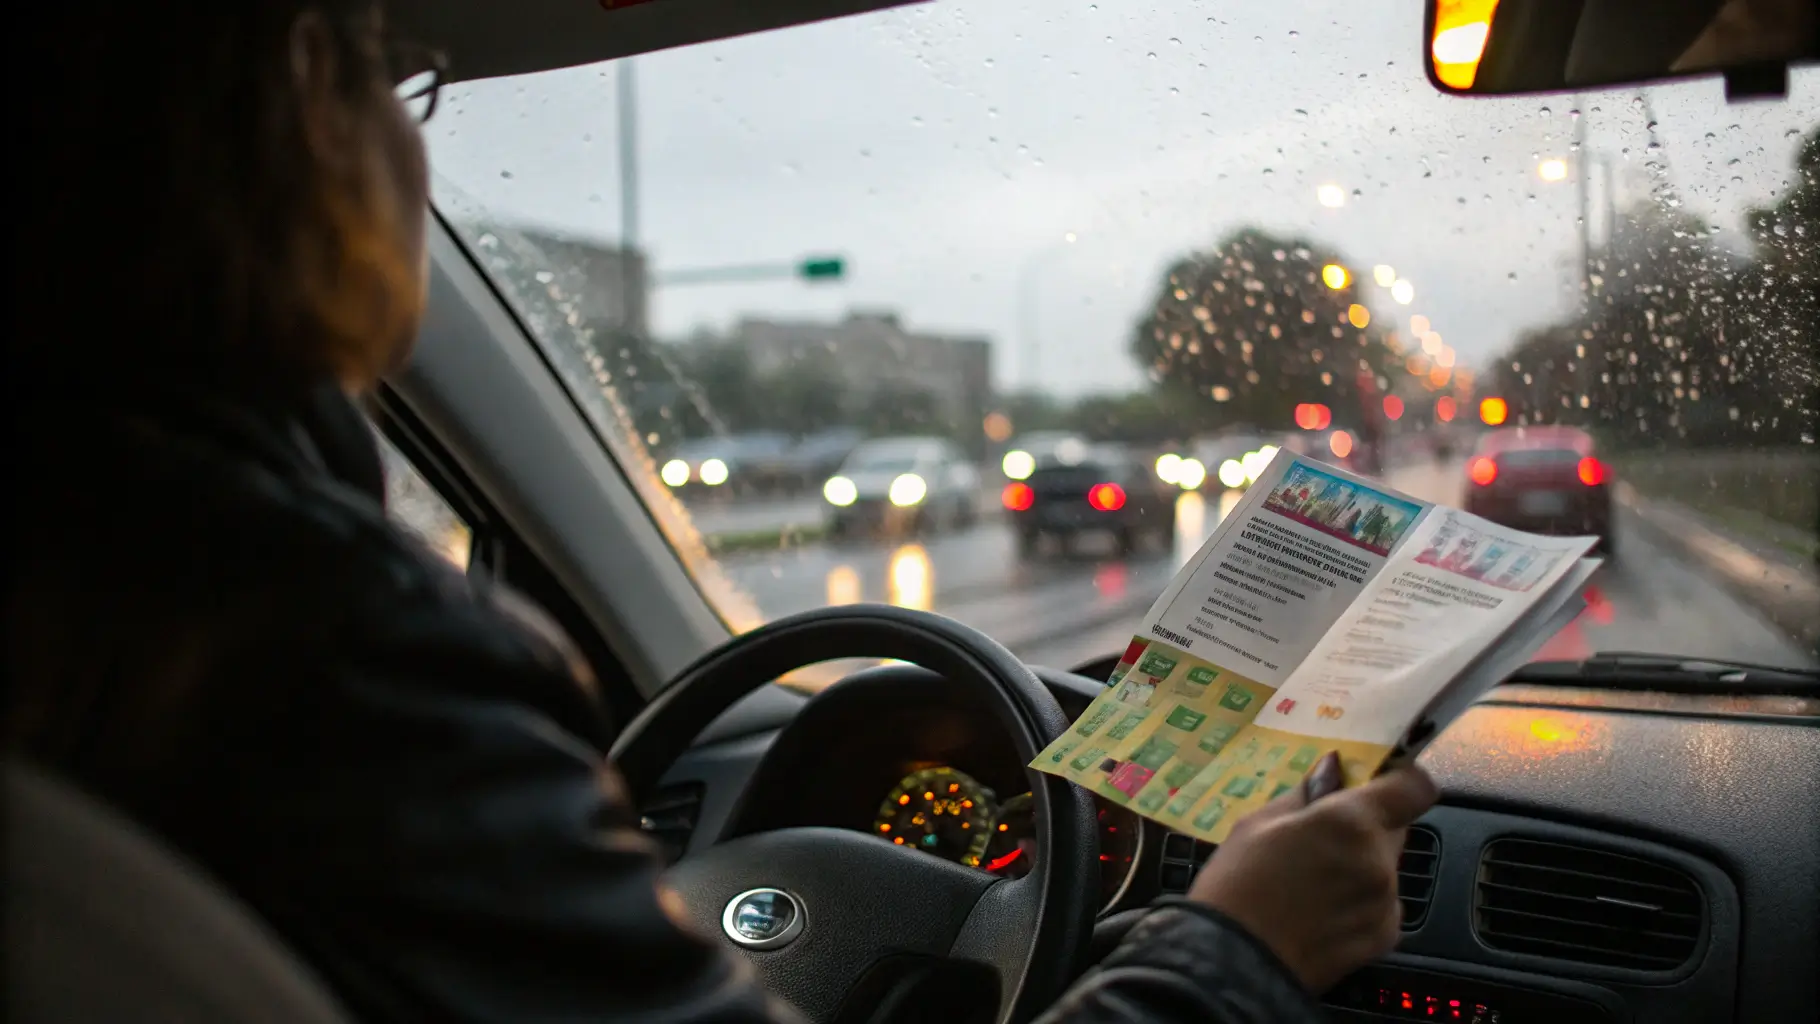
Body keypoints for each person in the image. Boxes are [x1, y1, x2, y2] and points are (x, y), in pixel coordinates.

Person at [8, 2, 1439, 1022]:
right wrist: (1233, 949)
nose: (408, 127)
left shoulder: (115, 587)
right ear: (285, 136)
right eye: (395, 71)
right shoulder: (331, 651)